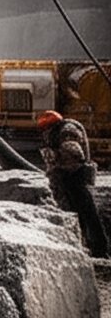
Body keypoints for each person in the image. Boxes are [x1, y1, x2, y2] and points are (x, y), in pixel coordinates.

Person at [38, 110, 108, 258]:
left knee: (87, 213)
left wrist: (55, 158)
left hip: (75, 176)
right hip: (70, 176)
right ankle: (87, 246)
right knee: (80, 213)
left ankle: (99, 249)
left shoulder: (66, 131)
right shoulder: (62, 130)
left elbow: (74, 152)